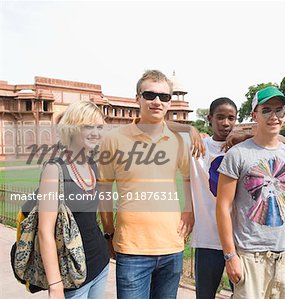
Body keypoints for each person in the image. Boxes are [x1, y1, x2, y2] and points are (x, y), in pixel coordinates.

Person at [98, 70, 194, 299]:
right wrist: (109, 231)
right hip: (133, 249)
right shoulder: (114, 139)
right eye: (150, 95)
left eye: (164, 97)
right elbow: (104, 189)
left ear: (170, 102)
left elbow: (188, 177)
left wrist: (189, 210)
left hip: (172, 245)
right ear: (137, 98)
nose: (157, 101)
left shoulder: (178, 140)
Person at [216, 86, 285, 299]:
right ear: (254, 114)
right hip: (251, 255)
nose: (274, 116)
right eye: (266, 110)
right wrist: (230, 256)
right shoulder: (237, 155)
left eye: (280, 110)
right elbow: (223, 206)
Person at [38, 100, 110, 299]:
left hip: (99, 264)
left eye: (99, 127)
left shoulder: (91, 164)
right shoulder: (55, 169)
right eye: (89, 126)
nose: (96, 133)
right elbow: (45, 231)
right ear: (73, 128)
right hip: (72, 275)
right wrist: (55, 284)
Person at [190, 97, 238, 298]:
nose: (225, 123)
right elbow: (158, 125)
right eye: (220, 117)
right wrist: (188, 129)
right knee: (205, 295)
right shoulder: (197, 146)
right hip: (208, 238)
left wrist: (245, 136)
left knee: (244, 294)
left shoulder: (243, 148)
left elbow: (283, 141)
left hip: (239, 239)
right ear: (209, 118)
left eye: (231, 118)